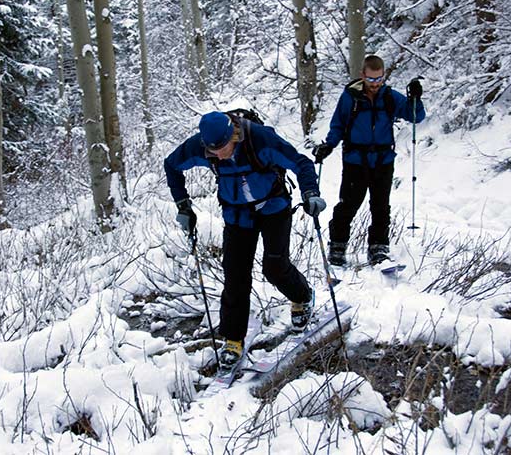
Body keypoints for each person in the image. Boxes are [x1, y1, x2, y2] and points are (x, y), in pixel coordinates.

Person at [164, 111, 326, 369]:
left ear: (233, 136)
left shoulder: (260, 140)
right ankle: (232, 339)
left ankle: (302, 297)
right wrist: (183, 205)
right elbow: (171, 164)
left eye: (222, 148)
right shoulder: (203, 147)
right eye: (211, 150)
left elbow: (301, 163)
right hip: (237, 214)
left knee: (274, 267)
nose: (217, 155)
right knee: (235, 275)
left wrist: (310, 192)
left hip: (273, 207)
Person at [313, 55, 426, 266]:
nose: (375, 84)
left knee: (381, 206)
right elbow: (338, 124)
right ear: (363, 75)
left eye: (379, 79)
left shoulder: (390, 97)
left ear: (383, 77)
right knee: (348, 205)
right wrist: (329, 145)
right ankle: (337, 246)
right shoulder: (350, 97)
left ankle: (378, 248)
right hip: (355, 160)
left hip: (383, 160)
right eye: (371, 79)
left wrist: (415, 99)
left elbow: (416, 116)